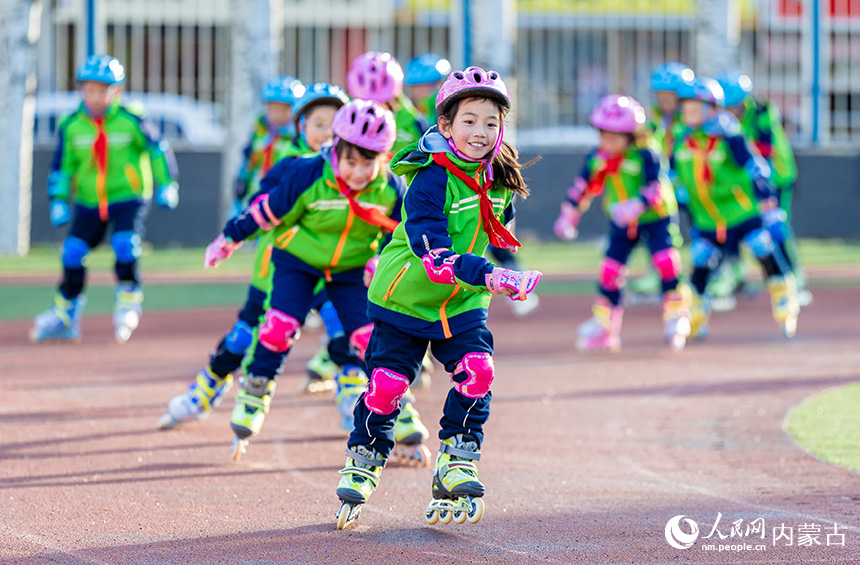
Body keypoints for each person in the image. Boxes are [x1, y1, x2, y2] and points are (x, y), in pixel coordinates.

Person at [334, 66, 541, 529]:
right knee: (387, 385)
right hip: (406, 299)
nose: (481, 132)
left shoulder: (497, 174)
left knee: (478, 372)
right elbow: (437, 259)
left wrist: (498, 269)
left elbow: (491, 228)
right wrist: (493, 277)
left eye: (491, 122)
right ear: (445, 125)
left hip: (461, 303)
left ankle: (458, 457)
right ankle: (365, 456)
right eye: (469, 121)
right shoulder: (429, 178)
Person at [203, 99, 407, 462]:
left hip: (349, 269)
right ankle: (255, 388)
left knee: (366, 337)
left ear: (384, 157)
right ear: (335, 150)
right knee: (278, 326)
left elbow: (403, 233)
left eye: (369, 163)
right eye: (351, 162)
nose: (359, 173)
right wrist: (228, 239)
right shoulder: (307, 174)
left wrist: (381, 258)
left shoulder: (390, 188)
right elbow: (266, 212)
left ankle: (388, 397)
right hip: (297, 261)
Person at [156, 82, 350, 432]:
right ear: (301, 128)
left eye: (335, 125)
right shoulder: (289, 167)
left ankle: (360, 406)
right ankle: (205, 389)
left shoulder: (357, 171)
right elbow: (262, 209)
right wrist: (234, 231)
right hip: (281, 268)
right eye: (318, 124)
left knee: (345, 331)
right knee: (244, 337)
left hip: (333, 271)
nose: (327, 133)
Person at [31, 54, 179, 344]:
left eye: (102, 90)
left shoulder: (131, 118)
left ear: (116, 92)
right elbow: (62, 166)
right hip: (89, 200)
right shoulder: (72, 124)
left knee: (125, 245)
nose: (95, 97)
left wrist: (167, 184)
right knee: (72, 252)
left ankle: (128, 299)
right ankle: (65, 314)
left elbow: (157, 150)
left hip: (128, 196)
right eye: (89, 89)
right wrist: (58, 199)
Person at [554, 95, 689, 352]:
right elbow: (583, 187)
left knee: (666, 262)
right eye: (604, 136)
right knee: (610, 271)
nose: (608, 142)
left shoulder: (647, 153)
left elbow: (655, 186)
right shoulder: (598, 156)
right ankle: (605, 327)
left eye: (615, 138)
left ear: (632, 136)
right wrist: (568, 215)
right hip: (622, 223)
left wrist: (635, 205)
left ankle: (676, 316)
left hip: (655, 218)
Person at [671, 75, 800, 339]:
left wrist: (768, 204)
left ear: (712, 109)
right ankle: (695, 315)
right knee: (701, 260)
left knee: (761, 246)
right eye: (687, 108)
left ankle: (785, 296)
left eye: (697, 107)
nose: (691, 113)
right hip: (708, 218)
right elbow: (673, 175)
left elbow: (756, 167)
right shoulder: (683, 140)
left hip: (741, 211)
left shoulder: (729, 135)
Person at [716, 72, 810, 306]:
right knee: (735, 224)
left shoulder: (761, 112)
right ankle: (736, 273)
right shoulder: (719, 121)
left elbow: (764, 149)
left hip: (777, 176)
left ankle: (791, 275)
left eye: (731, 107)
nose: (728, 113)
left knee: (775, 225)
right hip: (747, 180)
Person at [627, 61, 693, 307]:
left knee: (701, 230)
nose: (664, 101)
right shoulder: (654, 117)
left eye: (669, 96)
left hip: (693, 183)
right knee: (664, 232)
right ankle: (661, 273)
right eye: (660, 96)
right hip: (665, 186)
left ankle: (712, 273)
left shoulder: (691, 117)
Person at [231, 76, 305, 217]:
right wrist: (241, 180)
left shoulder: (298, 137)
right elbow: (249, 157)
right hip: (257, 192)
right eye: (273, 108)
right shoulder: (260, 131)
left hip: (282, 194)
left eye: (284, 109)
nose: (277, 114)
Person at [346, 51, 430, 154]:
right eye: (366, 104)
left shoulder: (416, 123)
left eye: (381, 104)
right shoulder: (343, 121)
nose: (374, 113)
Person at [404, 53, 452, 123]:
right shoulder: (409, 113)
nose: (419, 91)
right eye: (416, 86)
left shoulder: (447, 110)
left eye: (426, 86)